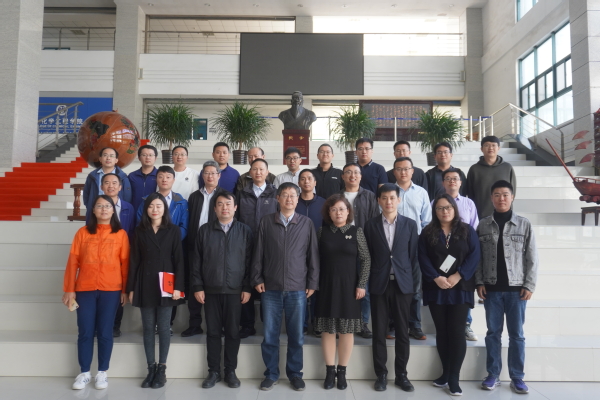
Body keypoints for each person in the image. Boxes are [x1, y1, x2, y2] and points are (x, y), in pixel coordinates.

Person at [251, 182, 320, 392]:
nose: (289, 199)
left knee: (296, 336)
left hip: (297, 288)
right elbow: (258, 253)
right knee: (270, 335)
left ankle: (295, 374)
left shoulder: (306, 223)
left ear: (298, 199)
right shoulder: (266, 221)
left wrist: (312, 282)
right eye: (285, 195)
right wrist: (257, 278)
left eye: (293, 195)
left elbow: (313, 256)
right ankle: (271, 374)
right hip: (270, 287)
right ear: (278, 199)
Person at [476, 180, 538, 395]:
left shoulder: (524, 224)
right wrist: (479, 281)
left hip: (517, 290)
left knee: (517, 334)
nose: (501, 198)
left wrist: (529, 284)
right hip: (491, 289)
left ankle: (517, 377)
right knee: (493, 333)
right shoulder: (483, 225)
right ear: (491, 198)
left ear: (512, 197)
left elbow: (532, 258)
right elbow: (478, 258)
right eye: (497, 195)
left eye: (505, 194)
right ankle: (493, 374)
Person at [62, 195, 129, 391]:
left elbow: (125, 265)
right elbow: (73, 262)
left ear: (113, 210)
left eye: (107, 206)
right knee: (85, 331)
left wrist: (125, 290)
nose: (103, 209)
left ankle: (102, 372)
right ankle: (84, 373)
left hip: (111, 289)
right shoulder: (82, 233)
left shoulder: (120, 234)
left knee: (105, 332)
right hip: (85, 289)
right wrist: (69, 289)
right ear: (93, 210)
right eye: (99, 206)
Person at [418, 194, 480, 396]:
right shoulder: (428, 232)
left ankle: (454, 377)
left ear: (454, 209)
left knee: (457, 331)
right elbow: (422, 257)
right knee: (442, 332)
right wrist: (436, 277)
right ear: (435, 211)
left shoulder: (467, 230)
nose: (445, 211)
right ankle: (445, 373)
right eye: (440, 208)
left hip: (460, 288)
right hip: (436, 287)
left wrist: (458, 275)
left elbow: (475, 255)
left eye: (448, 207)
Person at [191, 192, 253, 389]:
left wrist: (247, 287)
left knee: (233, 332)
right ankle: (214, 371)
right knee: (213, 332)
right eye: (220, 204)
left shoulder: (245, 231)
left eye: (228, 204)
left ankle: (230, 371)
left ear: (235, 208)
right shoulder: (205, 230)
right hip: (211, 290)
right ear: (215, 208)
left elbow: (250, 262)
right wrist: (198, 286)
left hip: (235, 290)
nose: (224, 207)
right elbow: (196, 261)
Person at [363, 184, 419, 393]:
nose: (388, 202)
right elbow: (367, 256)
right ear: (378, 200)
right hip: (379, 284)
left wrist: (413, 285)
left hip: (403, 285)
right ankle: (381, 374)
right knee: (379, 331)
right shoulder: (370, 225)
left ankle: (402, 375)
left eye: (392, 198)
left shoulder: (410, 224)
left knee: (403, 332)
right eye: (384, 198)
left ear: (399, 200)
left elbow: (413, 257)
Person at [127, 193, 185, 389]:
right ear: (146, 209)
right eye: (151, 206)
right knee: (148, 327)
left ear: (164, 209)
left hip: (167, 283)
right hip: (145, 281)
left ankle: (162, 368)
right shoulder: (140, 231)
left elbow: (179, 259)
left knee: (164, 328)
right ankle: (150, 368)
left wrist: (178, 287)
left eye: (159, 206)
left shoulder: (173, 230)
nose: (155, 209)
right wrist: (131, 288)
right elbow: (134, 260)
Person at [316, 194, 370, 390]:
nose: (338, 213)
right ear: (328, 213)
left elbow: (365, 259)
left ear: (348, 212)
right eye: (334, 209)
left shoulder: (356, 232)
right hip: (326, 286)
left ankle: (342, 372)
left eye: (341, 209)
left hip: (350, 288)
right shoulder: (322, 232)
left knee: (346, 330)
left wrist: (361, 284)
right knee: (328, 329)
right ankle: (330, 371)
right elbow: (314, 259)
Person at [136, 165, 189, 332]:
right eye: (160, 176)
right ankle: (152, 325)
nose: (164, 180)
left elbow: (184, 226)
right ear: (156, 179)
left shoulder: (181, 202)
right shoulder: (146, 201)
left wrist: (169, 241)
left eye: (168, 177)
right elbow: (140, 222)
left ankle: (168, 324)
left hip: (172, 251)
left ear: (174, 180)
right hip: (150, 250)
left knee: (170, 289)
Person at [236, 158, 278, 338]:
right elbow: (236, 218)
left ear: (267, 172)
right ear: (250, 172)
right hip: (245, 245)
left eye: (262, 169)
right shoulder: (242, 193)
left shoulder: (275, 194)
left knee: (267, 285)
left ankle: (268, 324)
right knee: (246, 283)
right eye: (255, 169)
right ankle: (247, 325)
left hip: (269, 246)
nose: (258, 172)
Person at [182, 160, 224, 337]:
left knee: (215, 286)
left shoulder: (225, 196)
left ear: (219, 175)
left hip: (217, 247)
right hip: (195, 246)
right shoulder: (194, 196)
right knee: (195, 285)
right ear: (202, 176)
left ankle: (218, 326)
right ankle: (194, 324)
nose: (210, 176)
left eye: (213, 173)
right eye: (206, 173)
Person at [392, 157, 431, 341]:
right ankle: (393, 324)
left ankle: (414, 325)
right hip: (392, 245)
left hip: (416, 244)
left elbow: (427, 221)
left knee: (415, 286)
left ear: (412, 171)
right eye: (399, 169)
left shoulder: (421, 192)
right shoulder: (389, 192)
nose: (403, 172)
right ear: (394, 171)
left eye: (406, 169)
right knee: (393, 285)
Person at [340, 162, 379, 339]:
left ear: (361, 176)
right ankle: (343, 322)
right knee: (343, 288)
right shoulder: (337, 197)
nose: (352, 176)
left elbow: (374, 222)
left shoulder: (370, 196)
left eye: (356, 172)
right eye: (348, 172)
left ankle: (362, 323)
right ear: (343, 176)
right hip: (342, 249)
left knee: (364, 288)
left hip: (364, 247)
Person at [97, 173, 135, 338]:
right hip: (100, 256)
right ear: (101, 187)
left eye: (114, 183)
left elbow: (132, 231)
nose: (110, 186)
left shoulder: (128, 207)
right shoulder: (96, 206)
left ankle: (115, 325)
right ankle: (99, 325)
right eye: (107, 183)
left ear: (120, 187)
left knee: (120, 289)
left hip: (121, 254)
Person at [295, 169, 326, 336]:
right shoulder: (294, 201)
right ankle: (303, 324)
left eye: (309, 178)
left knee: (317, 289)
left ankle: (317, 322)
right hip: (296, 252)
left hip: (319, 251)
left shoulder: (324, 203)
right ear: (298, 183)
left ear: (315, 183)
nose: (306, 181)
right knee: (300, 288)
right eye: (302, 179)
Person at [465, 136, 517, 219]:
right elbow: (470, 193)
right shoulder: (474, 169)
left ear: (498, 148)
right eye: (487, 145)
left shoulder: (507, 167)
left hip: (504, 214)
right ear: (481, 149)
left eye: (493, 145)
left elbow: (512, 191)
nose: (490, 148)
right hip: (481, 215)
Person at [83, 147, 132, 214]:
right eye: (105, 155)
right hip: (97, 211)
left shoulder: (123, 177)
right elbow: (86, 194)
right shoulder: (92, 176)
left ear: (116, 160)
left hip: (117, 211)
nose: (108, 158)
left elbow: (127, 196)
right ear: (100, 159)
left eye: (111, 156)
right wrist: (90, 207)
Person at [129, 145, 158, 211]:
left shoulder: (160, 176)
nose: (147, 157)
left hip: (154, 212)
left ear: (155, 158)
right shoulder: (132, 176)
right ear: (139, 158)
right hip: (135, 211)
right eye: (144, 155)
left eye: (150, 155)